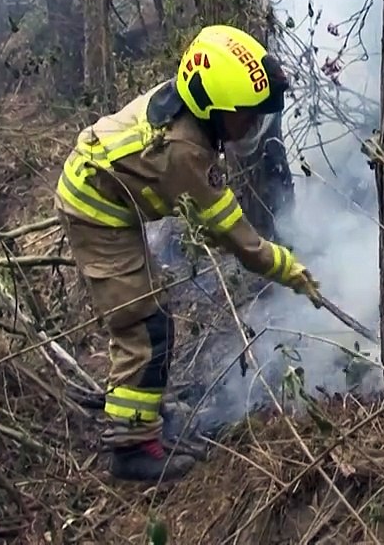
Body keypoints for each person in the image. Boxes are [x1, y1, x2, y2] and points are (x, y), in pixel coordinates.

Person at [54, 25, 317, 482]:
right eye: (245, 116)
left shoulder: (185, 104)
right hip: (96, 212)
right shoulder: (185, 154)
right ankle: (133, 448)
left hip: (107, 199)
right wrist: (290, 271)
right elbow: (239, 239)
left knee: (154, 312)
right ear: (211, 107)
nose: (253, 126)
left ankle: (147, 416)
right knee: (143, 323)